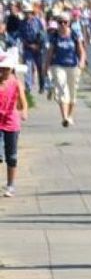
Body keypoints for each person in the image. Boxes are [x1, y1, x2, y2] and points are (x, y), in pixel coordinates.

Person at [45, 11, 85, 127]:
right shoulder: (55, 36)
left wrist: (82, 62)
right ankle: (64, 117)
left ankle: (70, 115)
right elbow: (50, 52)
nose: (62, 24)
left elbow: (81, 51)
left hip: (72, 66)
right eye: (60, 22)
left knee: (72, 92)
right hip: (58, 65)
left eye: (65, 22)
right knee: (62, 89)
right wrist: (46, 67)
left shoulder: (74, 34)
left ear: (69, 23)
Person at [0, 49, 29, 197]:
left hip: (11, 122)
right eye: (1, 68)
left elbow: (23, 100)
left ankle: (10, 185)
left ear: (11, 69)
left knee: (11, 156)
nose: (4, 71)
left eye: (6, 68)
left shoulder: (16, 83)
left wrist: (24, 110)